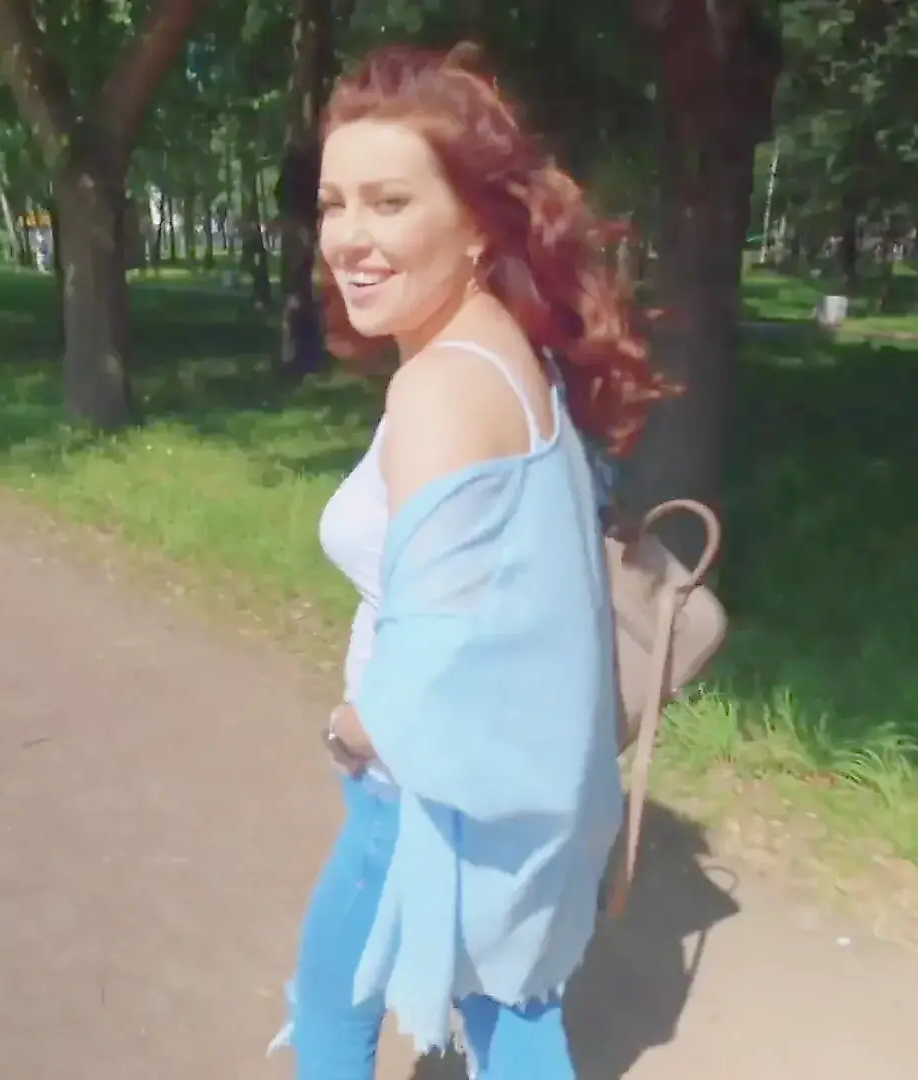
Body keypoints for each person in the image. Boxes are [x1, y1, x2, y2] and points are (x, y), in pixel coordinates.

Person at [270, 43, 669, 1080]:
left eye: (390, 202)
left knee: (332, 1013)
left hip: (421, 795)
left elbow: (426, 653)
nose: (349, 237)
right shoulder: (507, 349)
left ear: (480, 224)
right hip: (520, 787)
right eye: (334, 204)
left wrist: (349, 732)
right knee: (514, 1012)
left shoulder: (440, 389)